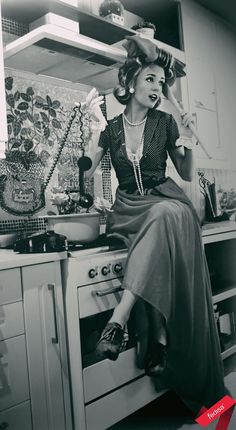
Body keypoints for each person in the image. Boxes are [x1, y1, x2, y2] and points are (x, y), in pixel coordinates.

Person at [83, 35, 226, 415]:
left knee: (165, 215)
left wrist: (190, 135)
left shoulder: (164, 122)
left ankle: (118, 321)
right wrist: (89, 129)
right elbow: (84, 176)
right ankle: (157, 338)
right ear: (130, 83)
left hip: (165, 199)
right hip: (128, 207)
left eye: (161, 82)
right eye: (150, 79)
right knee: (158, 223)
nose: (157, 87)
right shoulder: (110, 129)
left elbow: (186, 173)